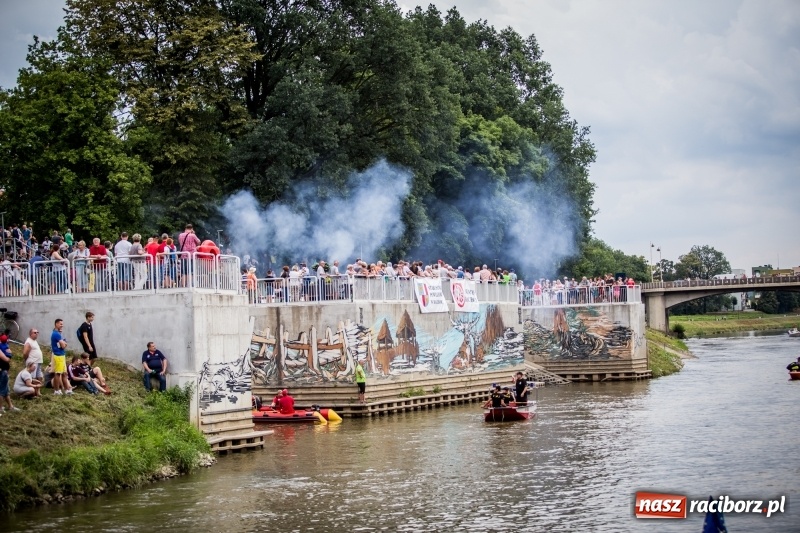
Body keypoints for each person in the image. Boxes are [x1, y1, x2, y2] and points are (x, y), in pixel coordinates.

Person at [50, 319, 74, 395]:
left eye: (62, 324)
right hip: (58, 355)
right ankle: (56, 390)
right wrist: (64, 343)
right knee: (58, 373)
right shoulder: (56, 334)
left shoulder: (59, 333)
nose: (62, 325)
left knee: (64, 373)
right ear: (56, 324)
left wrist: (63, 343)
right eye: (60, 324)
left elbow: (64, 343)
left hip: (61, 355)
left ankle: (67, 389)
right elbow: (63, 345)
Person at [0, 334, 20, 412]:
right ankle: (0, 408)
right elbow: (6, 359)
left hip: (4, 370)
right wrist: (9, 354)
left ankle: (10, 406)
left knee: (6, 389)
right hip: (2, 371)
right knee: (2, 390)